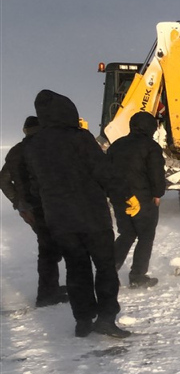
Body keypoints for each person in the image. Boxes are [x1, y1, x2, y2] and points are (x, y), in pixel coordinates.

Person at [23, 89, 139, 338]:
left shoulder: (33, 146)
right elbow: (103, 171)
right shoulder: (80, 138)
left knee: (77, 269)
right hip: (92, 216)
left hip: (60, 220)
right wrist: (125, 196)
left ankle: (83, 320)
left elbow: (34, 186)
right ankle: (106, 318)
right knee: (105, 268)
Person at [0, 116, 68, 307]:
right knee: (51, 250)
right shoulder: (45, 150)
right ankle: (46, 295)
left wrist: (19, 203)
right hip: (47, 206)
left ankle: (50, 288)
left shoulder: (14, 152)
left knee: (48, 247)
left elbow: (3, 180)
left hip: (30, 208)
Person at [107, 112, 166, 288]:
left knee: (126, 234)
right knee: (145, 236)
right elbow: (156, 174)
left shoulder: (116, 146)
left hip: (120, 198)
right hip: (143, 199)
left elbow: (107, 172)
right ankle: (138, 276)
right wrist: (158, 194)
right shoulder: (151, 147)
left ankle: (108, 273)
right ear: (151, 127)